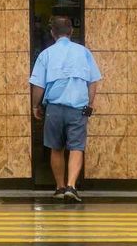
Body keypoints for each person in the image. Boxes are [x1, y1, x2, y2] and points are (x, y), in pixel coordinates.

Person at [29, 16, 101, 202]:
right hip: (78, 108)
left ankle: (60, 187)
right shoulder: (84, 53)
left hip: (54, 108)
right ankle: (71, 186)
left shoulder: (46, 55)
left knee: (56, 148)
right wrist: (90, 104)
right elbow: (93, 80)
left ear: (52, 33)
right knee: (77, 147)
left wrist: (36, 105)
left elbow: (38, 85)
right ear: (71, 32)